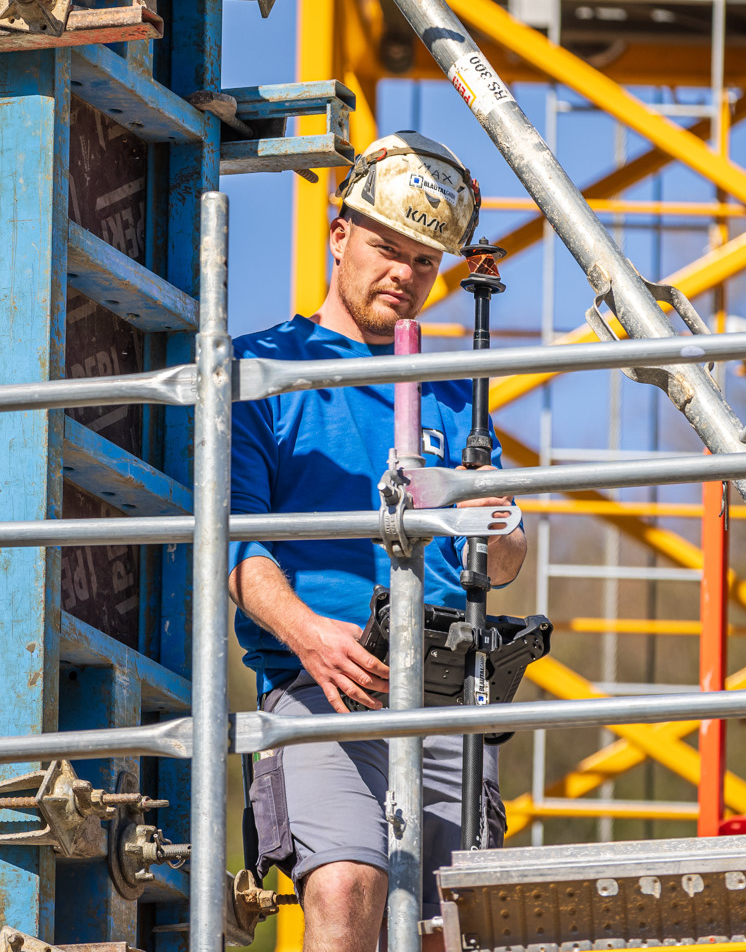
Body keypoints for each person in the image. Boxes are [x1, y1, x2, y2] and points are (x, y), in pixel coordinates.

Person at [227, 131, 528, 952]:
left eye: (426, 262)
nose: (404, 274)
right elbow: (239, 549)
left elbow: (499, 559)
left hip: (443, 687)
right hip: (325, 681)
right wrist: (306, 634)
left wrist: (500, 527)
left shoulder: (454, 400)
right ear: (337, 236)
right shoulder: (261, 372)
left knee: (453, 925)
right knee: (346, 885)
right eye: (387, 248)